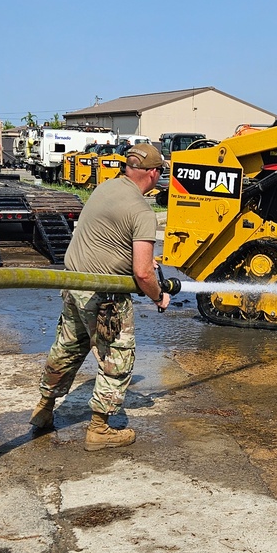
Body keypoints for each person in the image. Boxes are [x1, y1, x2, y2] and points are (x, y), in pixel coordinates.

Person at [30, 141, 171, 448]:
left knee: (67, 347)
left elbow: (107, 237)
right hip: (105, 296)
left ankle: (43, 408)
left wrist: (137, 259)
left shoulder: (105, 188)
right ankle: (99, 429)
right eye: (161, 172)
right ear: (153, 173)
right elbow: (143, 275)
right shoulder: (141, 210)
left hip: (75, 283)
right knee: (116, 357)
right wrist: (158, 296)